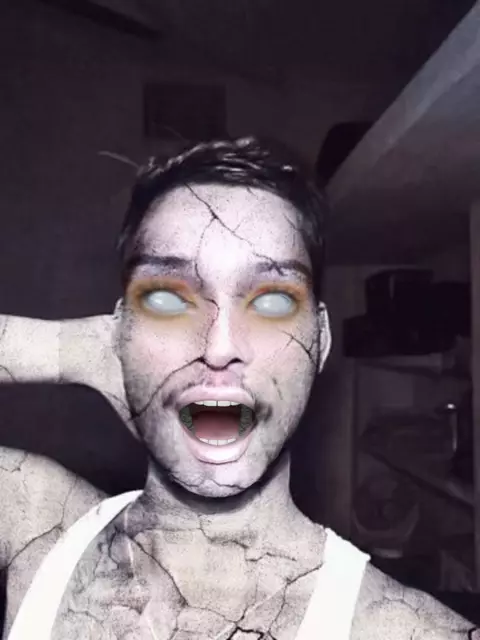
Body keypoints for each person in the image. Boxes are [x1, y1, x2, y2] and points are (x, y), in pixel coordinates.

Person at [0, 137, 477, 639]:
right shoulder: (36, 521)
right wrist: (71, 349)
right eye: (166, 299)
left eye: (272, 302)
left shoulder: (404, 629)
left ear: (320, 341)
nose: (219, 347)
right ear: (117, 333)